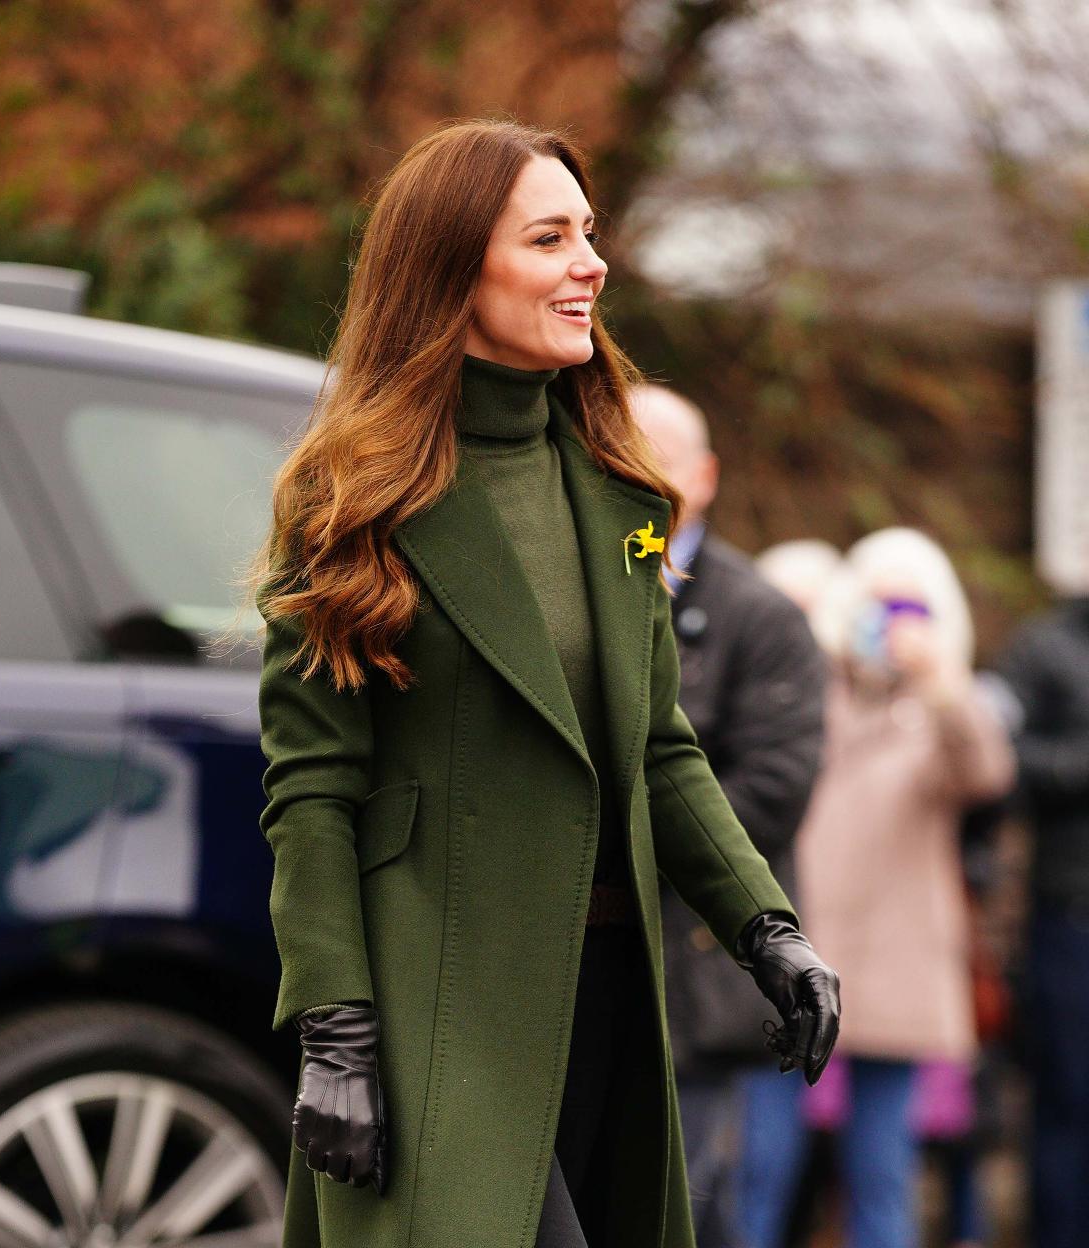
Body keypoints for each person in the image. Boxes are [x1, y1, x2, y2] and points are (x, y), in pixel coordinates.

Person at [245, 119, 841, 1248]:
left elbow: (658, 748)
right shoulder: (350, 503)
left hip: (613, 997)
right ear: (453, 268)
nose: (593, 264)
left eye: (591, 233)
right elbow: (312, 791)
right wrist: (334, 1029)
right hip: (435, 1006)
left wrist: (767, 929)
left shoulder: (622, 495)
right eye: (550, 238)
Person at [738, 528, 1015, 1248]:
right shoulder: (811, 689)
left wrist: (941, 683)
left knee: (882, 1173)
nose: (890, 623)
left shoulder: (944, 710)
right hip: (799, 956)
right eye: (878, 602)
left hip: (899, 967)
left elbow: (988, 774)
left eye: (910, 607)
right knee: (761, 1165)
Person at [630, 386, 828, 1246]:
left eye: (659, 460)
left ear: (705, 478)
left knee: (682, 1200)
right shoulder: (594, 582)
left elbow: (776, 787)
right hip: (581, 957)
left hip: (695, 965)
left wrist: (639, 837)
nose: (637, 478)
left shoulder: (759, 615)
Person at [997, 592, 1089, 1248]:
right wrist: (1077, 765)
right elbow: (999, 759)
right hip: (1071, 917)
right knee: (1068, 1097)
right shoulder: (1045, 645)